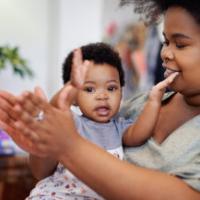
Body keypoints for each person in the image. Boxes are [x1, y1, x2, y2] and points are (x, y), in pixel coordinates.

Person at [0, 0, 200, 199]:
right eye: (165, 42)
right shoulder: (138, 104)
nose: (164, 53)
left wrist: (70, 146)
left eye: (180, 44)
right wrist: (45, 138)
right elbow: (42, 171)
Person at [0, 42, 176, 199]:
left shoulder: (119, 127)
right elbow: (55, 110)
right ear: (74, 97)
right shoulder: (72, 122)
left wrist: (153, 101)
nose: (102, 96)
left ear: (121, 92)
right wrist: (70, 88)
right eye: (89, 89)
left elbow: (139, 134)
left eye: (111, 88)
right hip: (59, 194)